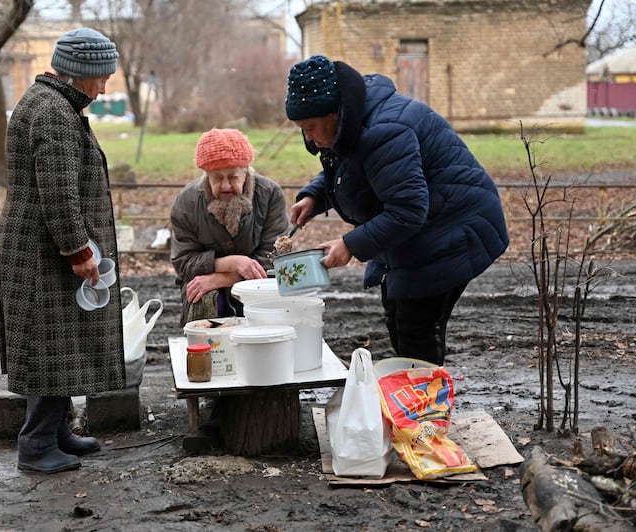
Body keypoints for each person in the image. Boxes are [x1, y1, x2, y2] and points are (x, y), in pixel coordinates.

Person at [284, 55, 509, 365]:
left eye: (310, 126)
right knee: (398, 320)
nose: (307, 137)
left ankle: (424, 410)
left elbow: (407, 210)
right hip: (422, 228)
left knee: (416, 332)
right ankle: (413, 402)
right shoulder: (352, 123)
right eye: (301, 129)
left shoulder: (384, 131)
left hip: (453, 227)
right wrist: (314, 196)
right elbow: (353, 168)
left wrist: (350, 244)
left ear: (335, 111)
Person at [0, 27, 125, 474]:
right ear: (79, 73)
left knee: (59, 342)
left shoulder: (51, 103)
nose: (104, 87)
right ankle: (35, 446)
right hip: (42, 251)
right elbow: (58, 193)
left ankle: (57, 432)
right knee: (52, 344)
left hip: (37, 245)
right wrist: (78, 250)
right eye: (101, 78)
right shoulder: (53, 113)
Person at [170, 128, 289, 326]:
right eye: (217, 177)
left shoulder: (269, 194)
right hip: (204, 286)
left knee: (262, 309)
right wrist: (231, 262)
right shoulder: (187, 202)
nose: (225, 185)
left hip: (258, 284)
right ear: (206, 176)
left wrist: (221, 279)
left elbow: (276, 256)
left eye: (233, 177)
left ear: (246, 173)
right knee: (202, 298)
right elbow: (183, 261)